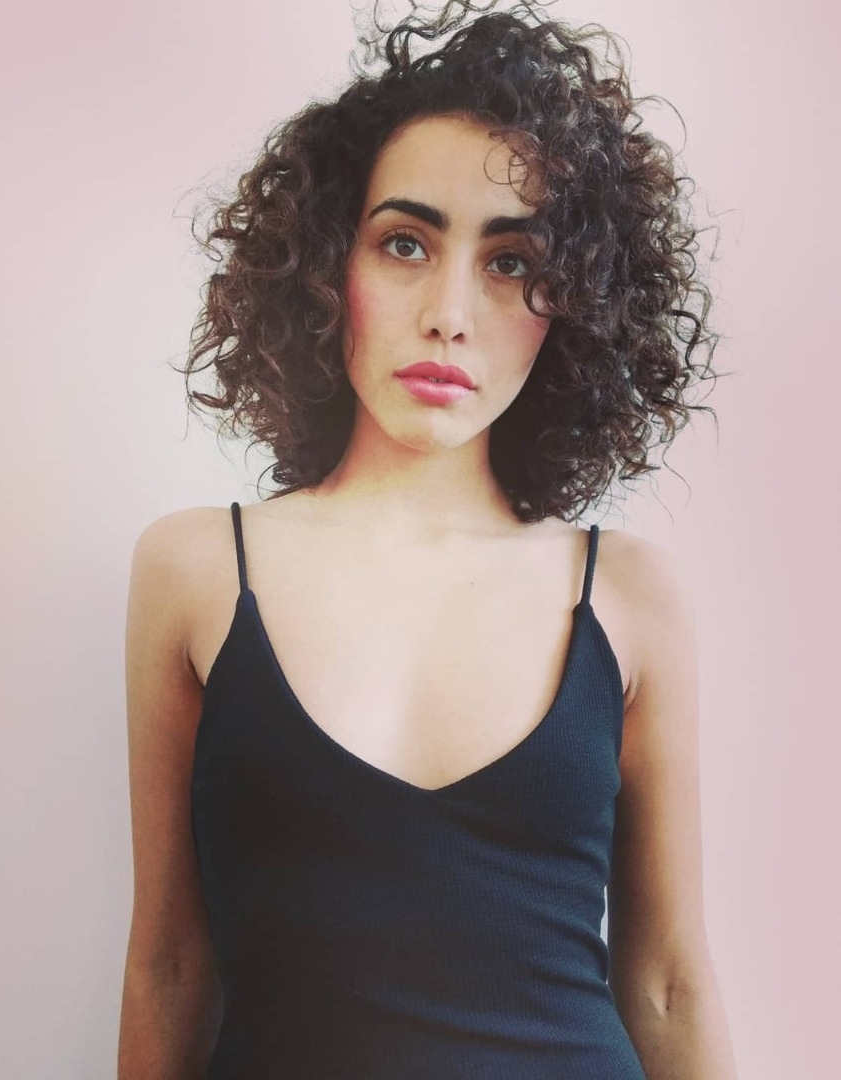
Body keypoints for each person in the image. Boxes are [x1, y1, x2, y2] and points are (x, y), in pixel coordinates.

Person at [118, 2, 739, 1077]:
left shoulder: (627, 595)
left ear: (573, 305)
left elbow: (669, 986)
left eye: (510, 261)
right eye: (405, 243)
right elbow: (171, 967)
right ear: (327, 267)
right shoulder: (196, 570)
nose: (451, 312)